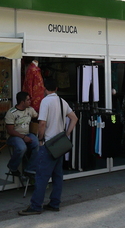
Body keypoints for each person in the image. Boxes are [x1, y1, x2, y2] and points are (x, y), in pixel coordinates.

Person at [18, 78, 78, 215]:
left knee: (42, 176)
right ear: (56, 88)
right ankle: (54, 203)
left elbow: (42, 123)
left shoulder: (45, 102)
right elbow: (74, 118)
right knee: (57, 175)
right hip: (59, 144)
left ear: (45, 88)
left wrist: (40, 138)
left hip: (48, 143)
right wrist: (66, 134)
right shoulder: (62, 102)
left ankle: (36, 205)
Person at [5, 91, 39, 178]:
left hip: (27, 134)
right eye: (28, 100)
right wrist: (23, 137)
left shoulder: (30, 110)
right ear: (22, 102)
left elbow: (38, 117)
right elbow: (10, 131)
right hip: (14, 136)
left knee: (37, 144)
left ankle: (30, 169)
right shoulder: (11, 112)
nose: (30, 101)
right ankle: (12, 166)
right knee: (22, 148)